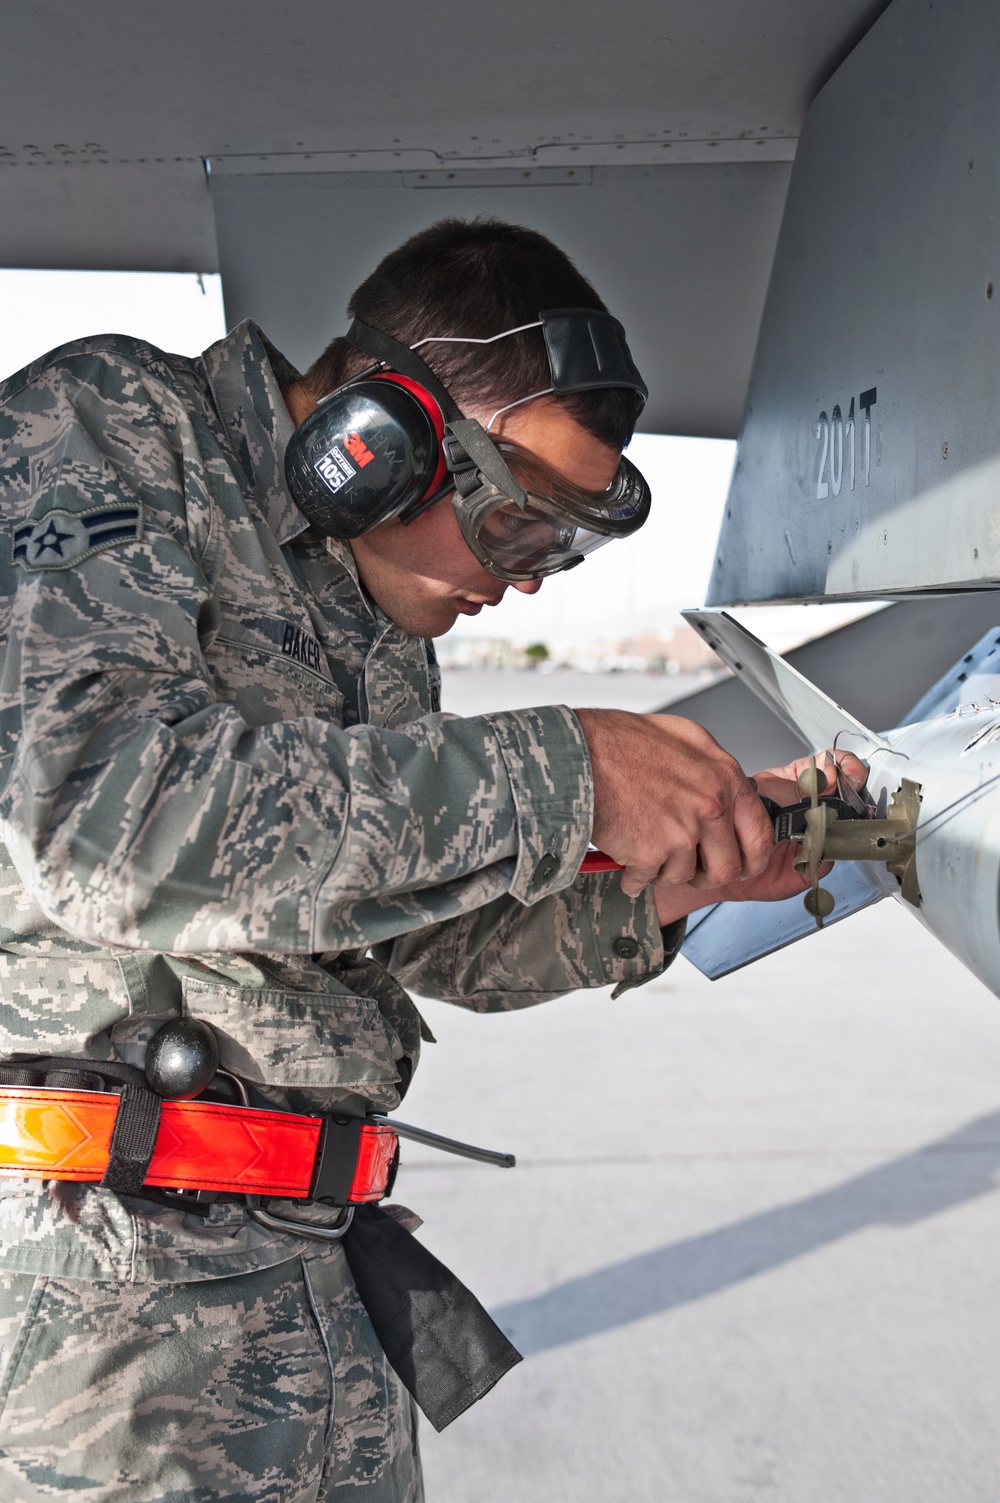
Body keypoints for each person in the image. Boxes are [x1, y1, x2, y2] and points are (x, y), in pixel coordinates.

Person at [0, 218, 864, 1501]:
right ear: (376, 443)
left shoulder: (372, 617)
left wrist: (669, 885)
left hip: (307, 1278)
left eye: (560, 549)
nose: (524, 583)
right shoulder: (116, 420)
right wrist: (570, 767)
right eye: (518, 527)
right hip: (113, 1312)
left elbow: (414, 935)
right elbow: (92, 820)